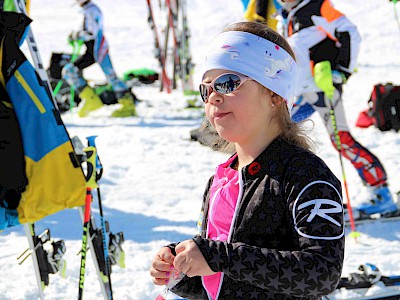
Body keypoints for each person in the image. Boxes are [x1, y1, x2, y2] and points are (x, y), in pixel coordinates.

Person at [150, 21, 345, 299]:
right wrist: (182, 268)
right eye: (206, 90)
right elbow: (224, 282)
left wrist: (218, 256)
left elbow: (322, 273)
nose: (214, 98)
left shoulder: (305, 174)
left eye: (228, 83)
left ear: (274, 94)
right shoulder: (223, 178)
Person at [276, 0, 398, 217]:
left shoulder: (318, 7)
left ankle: (381, 194)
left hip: (324, 88)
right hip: (299, 92)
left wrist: (342, 70)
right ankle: (280, 198)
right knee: (275, 134)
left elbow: (349, 31)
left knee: (341, 139)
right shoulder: (285, 16)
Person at [62, 0, 137, 118]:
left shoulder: (92, 10)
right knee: (69, 70)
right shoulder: (86, 10)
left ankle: (128, 105)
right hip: (91, 50)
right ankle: (90, 99)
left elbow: (91, 32)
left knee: (111, 76)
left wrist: (77, 35)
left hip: (98, 49)